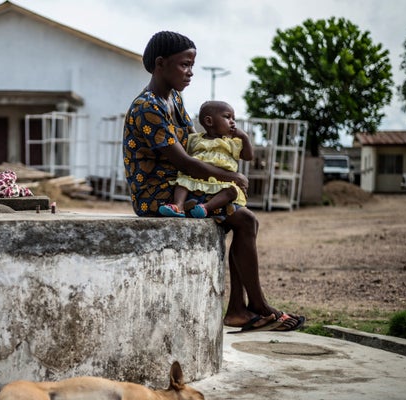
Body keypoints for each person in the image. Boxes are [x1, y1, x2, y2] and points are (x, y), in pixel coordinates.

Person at [122, 31, 304, 333]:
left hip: (183, 184)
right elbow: (183, 160)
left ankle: (238, 310)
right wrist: (228, 176)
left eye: (192, 65)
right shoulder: (147, 107)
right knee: (244, 220)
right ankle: (253, 307)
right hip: (158, 195)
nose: (190, 72)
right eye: (184, 65)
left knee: (245, 221)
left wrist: (231, 142)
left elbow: (196, 145)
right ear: (160, 64)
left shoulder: (173, 100)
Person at [158, 100, 251, 219]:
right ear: (209, 121)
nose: (232, 121)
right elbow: (185, 157)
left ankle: (205, 207)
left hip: (222, 180)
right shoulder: (195, 139)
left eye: (234, 118)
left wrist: (244, 137)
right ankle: (178, 206)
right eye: (227, 117)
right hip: (197, 177)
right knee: (182, 181)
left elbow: (248, 156)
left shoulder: (231, 142)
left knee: (232, 191)